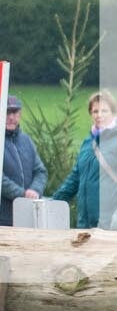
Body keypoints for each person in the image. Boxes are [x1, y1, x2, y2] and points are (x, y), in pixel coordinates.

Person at [0, 93, 46, 226]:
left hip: (29, 212)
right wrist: (23, 194)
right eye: (6, 112)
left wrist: (35, 190)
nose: (11, 117)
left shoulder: (25, 140)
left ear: (20, 115)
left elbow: (40, 171)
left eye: (14, 113)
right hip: (1, 215)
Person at [54, 90, 117, 230]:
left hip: (110, 225)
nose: (99, 115)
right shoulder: (87, 143)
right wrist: (54, 202)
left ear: (113, 113)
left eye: (104, 111)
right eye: (95, 111)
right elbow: (75, 178)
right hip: (85, 223)